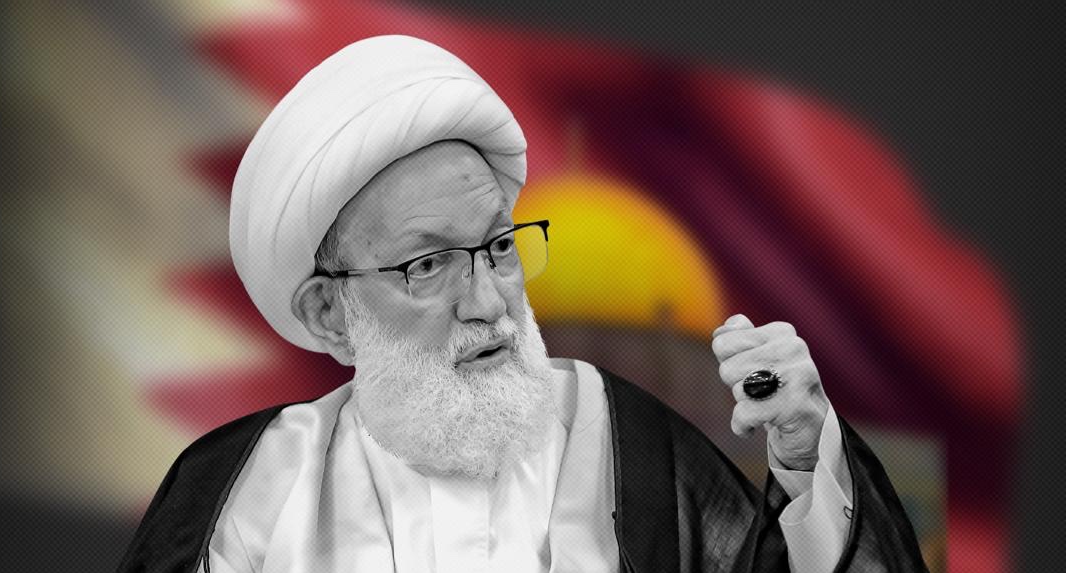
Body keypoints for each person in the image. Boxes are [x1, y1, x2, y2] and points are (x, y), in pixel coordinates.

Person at [118, 35, 926, 573]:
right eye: (428, 264)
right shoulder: (245, 491)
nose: (487, 300)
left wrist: (803, 457)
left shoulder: (626, 444)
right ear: (331, 312)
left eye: (499, 247)